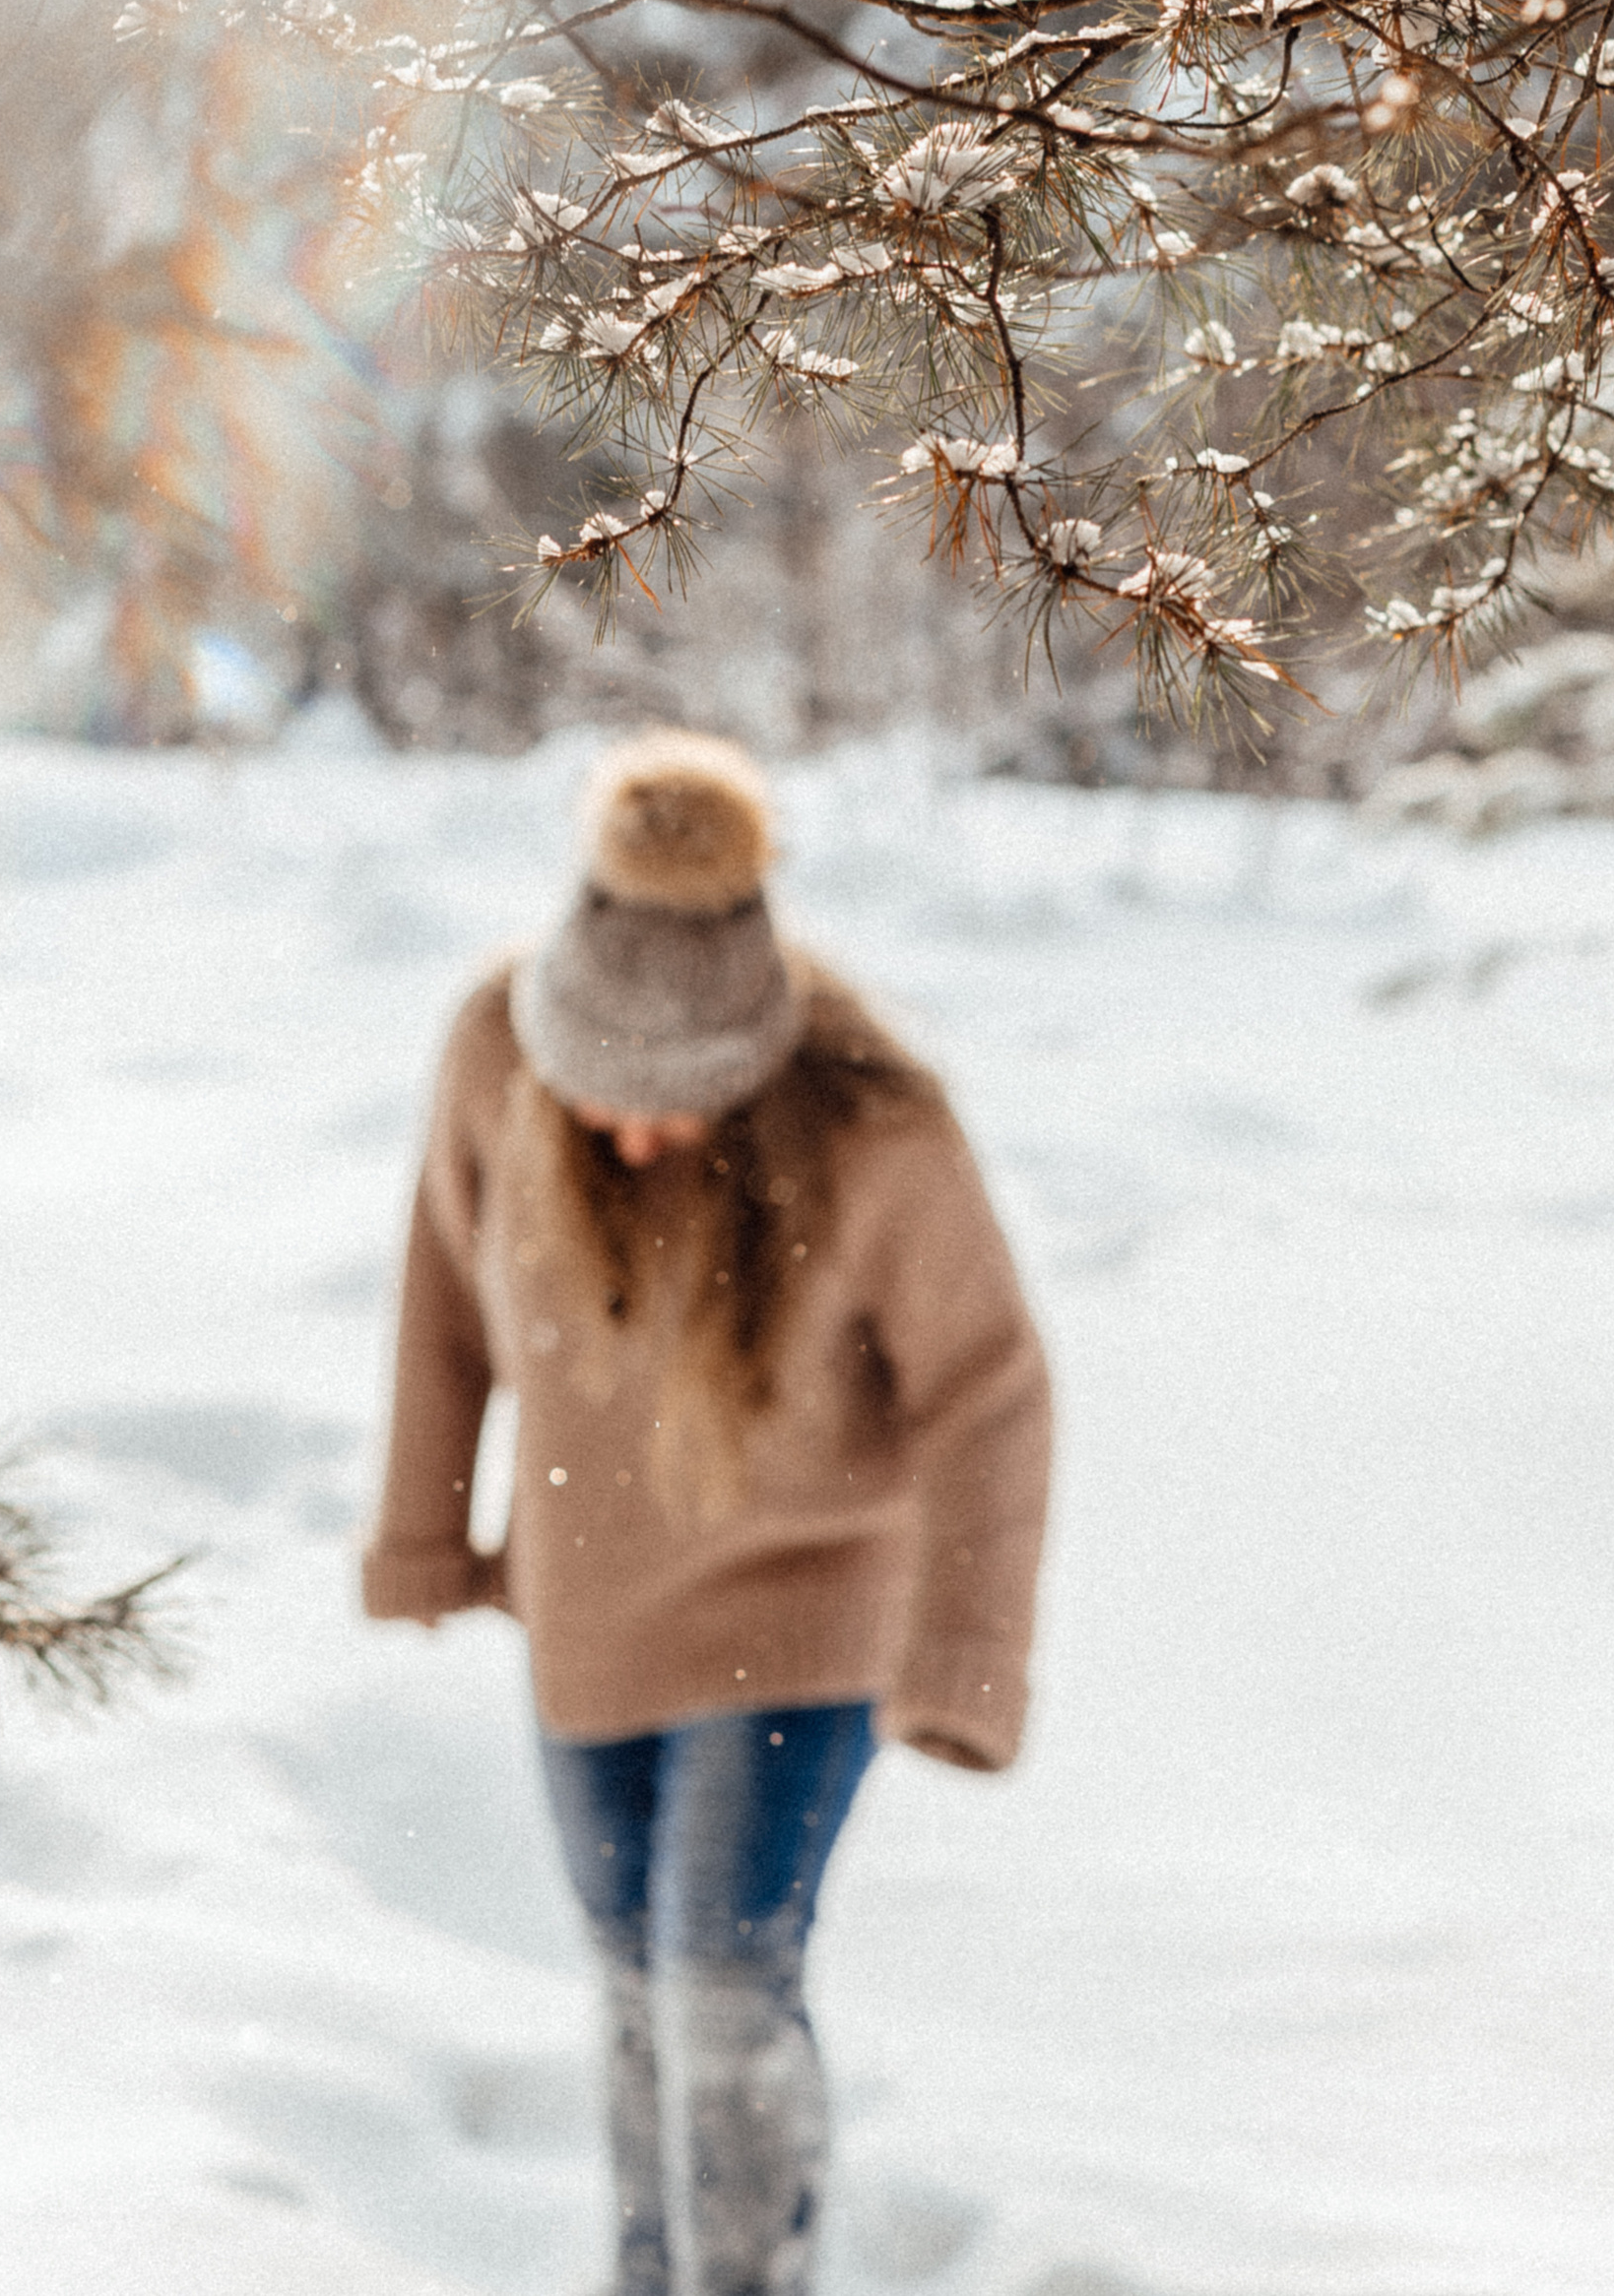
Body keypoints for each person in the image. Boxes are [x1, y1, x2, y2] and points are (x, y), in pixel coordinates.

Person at [363, 728, 1053, 2296]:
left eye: (674, 1104)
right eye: (600, 1096)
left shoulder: (872, 1122)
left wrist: (965, 1653)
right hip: (588, 1606)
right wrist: (424, 1530)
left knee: (718, 1981)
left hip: (804, 1612)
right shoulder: (494, 1051)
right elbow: (441, 1303)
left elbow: (991, 1389)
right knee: (630, 1982)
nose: (630, 1135)